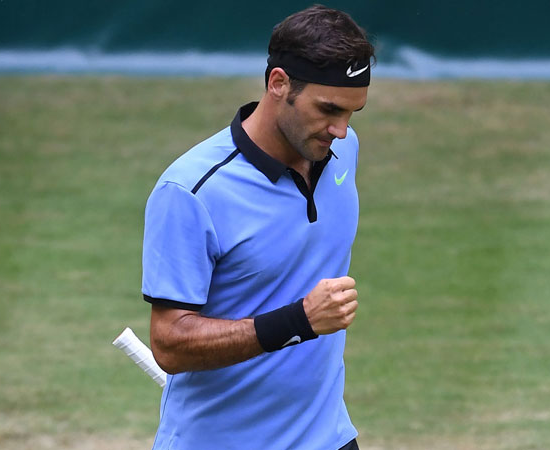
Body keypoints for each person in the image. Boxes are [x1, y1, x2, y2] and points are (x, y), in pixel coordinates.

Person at [141, 5, 375, 450]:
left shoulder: (342, 151)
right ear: (278, 83)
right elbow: (170, 344)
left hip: (328, 438)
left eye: (353, 113)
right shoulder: (191, 192)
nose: (342, 131)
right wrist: (299, 320)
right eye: (328, 109)